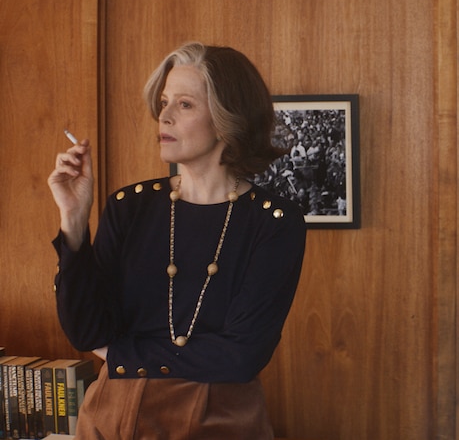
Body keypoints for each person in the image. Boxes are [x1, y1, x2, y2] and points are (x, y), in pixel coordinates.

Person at [48, 42, 307, 439]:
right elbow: (86, 332)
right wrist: (74, 221)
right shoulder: (129, 206)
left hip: (218, 421)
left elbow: (241, 356)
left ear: (227, 117)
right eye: (164, 101)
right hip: (108, 416)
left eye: (184, 105)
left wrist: (120, 354)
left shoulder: (273, 222)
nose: (163, 116)